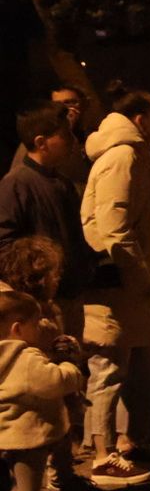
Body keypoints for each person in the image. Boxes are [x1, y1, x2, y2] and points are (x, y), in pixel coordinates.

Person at [79, 89, 150, 484]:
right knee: (110, 367)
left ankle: (123, 445)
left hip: (125, 281)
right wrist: (145, 281)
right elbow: (113, 229)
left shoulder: (132, 155)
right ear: (140, 119)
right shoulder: (124, 156)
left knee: (130, 364)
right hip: (120, 283)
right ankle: (103, 455)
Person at [0, 101, 96, 338]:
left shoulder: (62, 183)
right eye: (65, 134)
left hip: (71, 294)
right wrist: (34, 288)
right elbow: (5, 245)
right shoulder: (16, 184)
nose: (73, 140)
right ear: (41, 142)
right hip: (43, 304)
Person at [0, 290, 83, 491]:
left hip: (7, 433)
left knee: (16, 486)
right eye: (35, 324)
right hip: (28, 434)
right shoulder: (24, 357)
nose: (40, 329)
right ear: (17, 328)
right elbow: (53, 382)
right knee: (30, 489)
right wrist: (69, 365)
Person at [9, 84, 91, 189]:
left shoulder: (94, 135)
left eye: (70, 102)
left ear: (84, 104)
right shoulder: (40, 142)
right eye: (57, 104)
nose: (64, 109)